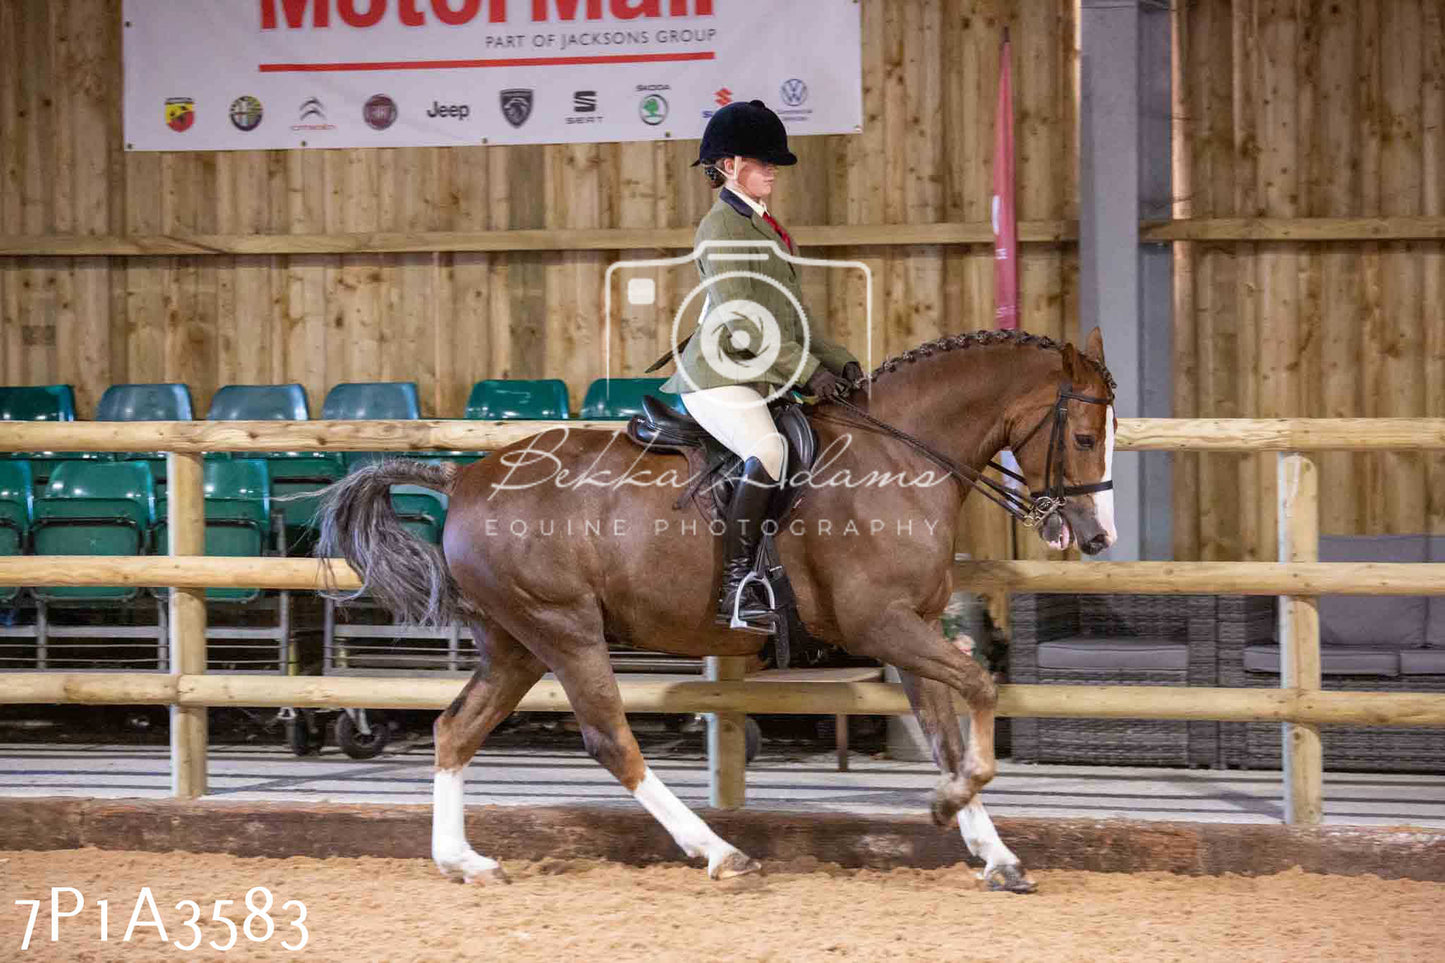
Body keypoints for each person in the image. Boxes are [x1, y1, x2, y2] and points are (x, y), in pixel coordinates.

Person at [659, 99, 864, 631]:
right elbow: (743, 323)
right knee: (768, 449)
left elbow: (795, 316)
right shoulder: (721, 227)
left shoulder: (764, 226)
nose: (773, 168)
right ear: (729, 166)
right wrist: (806, 374)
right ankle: (737, 585)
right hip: (722, 375)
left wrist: (839, 363)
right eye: (761, 160)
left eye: (773, 161)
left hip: (762, 371)